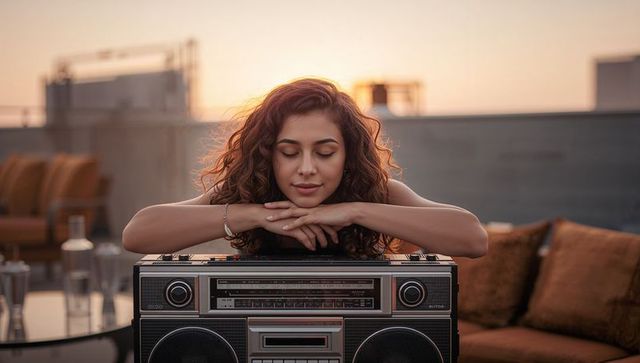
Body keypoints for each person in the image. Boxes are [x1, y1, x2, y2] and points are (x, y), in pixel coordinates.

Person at [123, 78, 487, 258]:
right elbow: (138, 234)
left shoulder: (376, 192)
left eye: (325, 152)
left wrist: (353, 211)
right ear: (268, 153)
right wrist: (254, 214)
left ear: (348, 155)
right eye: (289, 152)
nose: (307, 168)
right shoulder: (248, 190)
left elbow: (473, 238)